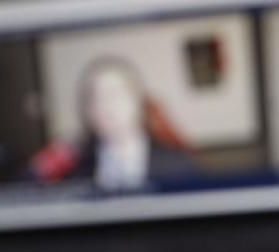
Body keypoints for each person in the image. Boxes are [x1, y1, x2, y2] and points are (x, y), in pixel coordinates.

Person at [28, 57, 196, 194]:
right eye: (95, 99)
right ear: (87, 111)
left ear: (137, 102)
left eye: (115, 94)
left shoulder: (177, 164)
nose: (106, 106)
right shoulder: (77, 171)